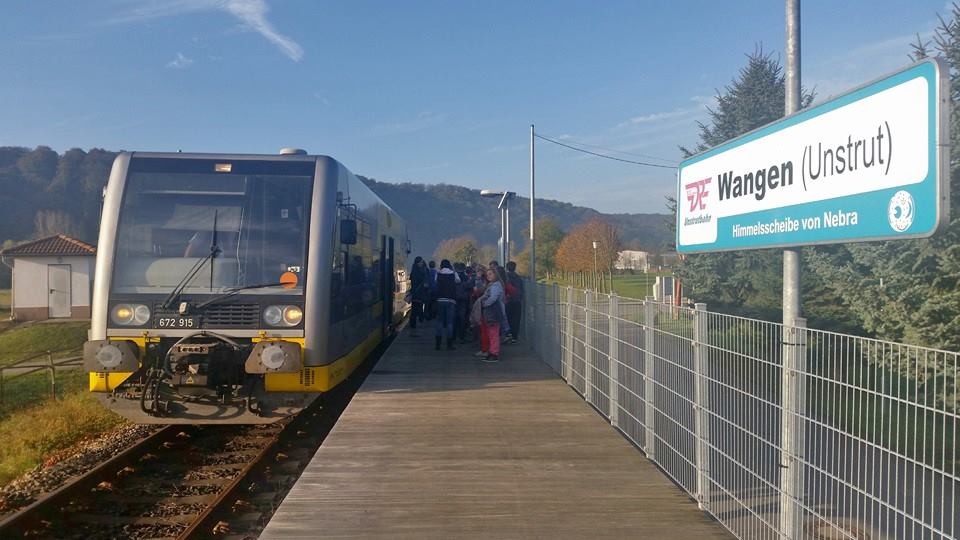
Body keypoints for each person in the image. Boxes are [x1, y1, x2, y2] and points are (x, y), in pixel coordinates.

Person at [478, 267, 504, 362]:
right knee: (491, 333)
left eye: (491, 274)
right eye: (487, 274)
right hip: (491, 312)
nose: (488, 276)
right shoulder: (493, 285)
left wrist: (485, 303)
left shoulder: (496, 286)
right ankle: (492, 351)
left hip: (493, 312)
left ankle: (494, 353)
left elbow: (494, 297)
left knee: (493, 333)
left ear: (496, 274)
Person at [433, 260, 460, 350]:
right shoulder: (453, 274)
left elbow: (435, 283)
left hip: (440, 299)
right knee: (449, 323)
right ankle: (449, 344)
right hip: (451, 300)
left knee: (439, 322)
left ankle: (438, 344)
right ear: (449, 265)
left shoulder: (438, 274)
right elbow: (458, 281)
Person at [409, 257, 430, 336]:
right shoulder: (425, 271)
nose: (421, 263)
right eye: (420, 262)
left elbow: (413, 281)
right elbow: (427, 281)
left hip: (417, 292)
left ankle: (414, 323)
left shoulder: (414, 271)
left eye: (421, 262)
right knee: (417, 308)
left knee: (415, 308)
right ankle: (417, 322)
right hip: (420, 292)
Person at [504, 261, 524, 343]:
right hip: (517, 301)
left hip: (507, 301)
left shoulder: (505, 277)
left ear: (506, 267)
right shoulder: (519, 278)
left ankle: (508, 335)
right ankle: (514, 337)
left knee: (507, 318)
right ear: (515, 268)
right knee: (516, 319)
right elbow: (521, 290)